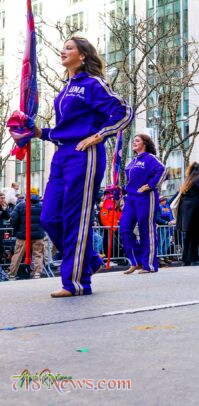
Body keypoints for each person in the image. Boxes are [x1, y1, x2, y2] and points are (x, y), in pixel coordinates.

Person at [33, 37, 132, 296]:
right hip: (62, 155)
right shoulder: (66, 88)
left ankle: (76, 283)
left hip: (84, 155)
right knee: (48, 217)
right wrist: (38, 132)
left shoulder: (92, 84)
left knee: (75, 218)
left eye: (69, 48)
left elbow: (124, 112)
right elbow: (63, 130)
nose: (62, 51)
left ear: (83, 55)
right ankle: (89, 260)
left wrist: (100, 135)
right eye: (62, 47)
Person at [119, 134, 165, 274]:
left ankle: (149, 264)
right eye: (133, 140)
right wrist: (120, 189)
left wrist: (151, 185)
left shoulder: (150, 158)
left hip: (146, 197)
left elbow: (163, 170)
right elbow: (132, 182)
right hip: (131, 198)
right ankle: (137, 261)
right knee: (124, 228)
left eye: (137, 140)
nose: (134, 142)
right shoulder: (133, 161)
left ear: (144, 143)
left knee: (146, 230)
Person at [176, 162, 199, 266]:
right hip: (196, 212)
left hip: (187, 213)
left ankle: (186, 259)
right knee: (195, 236)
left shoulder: (188, 181)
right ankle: (194, 258)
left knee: (189, 237)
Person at [8, 189, 45, 279]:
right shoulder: (42, 205)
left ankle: (12, 274)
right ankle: (37, 273)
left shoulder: (20, 205)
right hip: (38, 235)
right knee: (38, 254)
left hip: (23, 235)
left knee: (18, 254)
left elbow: (13, 220)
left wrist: (17, 229)